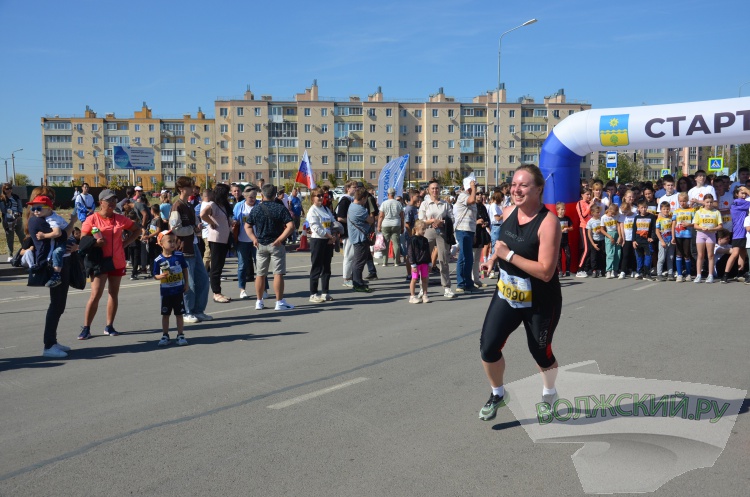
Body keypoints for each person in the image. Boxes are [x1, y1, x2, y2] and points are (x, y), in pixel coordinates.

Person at [477, 164, 563, 421]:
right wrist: (493, 259)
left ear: (538, 189)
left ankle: (549, 393)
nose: (516, 189)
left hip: (541, 301)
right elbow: (503, 244)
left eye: (523, 185)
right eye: (514, 184)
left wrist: (508, 256)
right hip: (507, 293)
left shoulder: (549, 223)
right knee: (488, 347)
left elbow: (546, 271)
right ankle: (498, 394)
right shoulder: (509, 211)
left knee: (541, 354)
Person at [79, 189, 141, 339]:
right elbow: (83, 240)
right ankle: (86, 328)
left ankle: (109, 326)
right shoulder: (92, 219)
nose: (113, 203)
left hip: (117, 261)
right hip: (99, 262)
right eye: (109, 200)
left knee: (113, 294)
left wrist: (125, 243)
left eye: (114, 200)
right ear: (101, 202)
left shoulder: (120, 218)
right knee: (95, 295)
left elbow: (137, 230)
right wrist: (96, 243)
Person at [26, 187, 78, 358]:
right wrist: (72, 223)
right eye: (47, 198)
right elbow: (62, 236)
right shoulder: (38, 220)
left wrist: (73, 244)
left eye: (51, 198)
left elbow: (66, 237)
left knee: (59, 304)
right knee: (56, 305)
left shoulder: (48, 218)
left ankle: (52, 341)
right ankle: (49, 345)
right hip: (53, 264)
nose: (51, 201)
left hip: (63, 261)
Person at [169, 176, 213, 323]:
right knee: (190, 283)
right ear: (181, 189)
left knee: (203, 280)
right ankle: (187, 312)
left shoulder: (188, 205)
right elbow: (175, 229)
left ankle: (199, 310)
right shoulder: (177, 206)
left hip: (194, 246)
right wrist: (193, 228)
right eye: (189, 186)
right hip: (184, 249)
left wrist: (197, 229)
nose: (192, 189)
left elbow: (194, 226)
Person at [245, 183, 295, 311]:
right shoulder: (280, 208)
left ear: (262, 195)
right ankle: (279, 302)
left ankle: (259, 301)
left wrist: (254, 238)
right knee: (278, 273)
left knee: (260, 274)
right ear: (274, 195)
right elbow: (290, 226)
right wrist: (281, 239)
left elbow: (247, 225)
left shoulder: (256, 209)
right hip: (276, 244)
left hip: (261, 244)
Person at [418, 179, 456, 299]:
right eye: (433, 188)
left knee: (443, 259)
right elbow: (421, 220)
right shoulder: (425, 204)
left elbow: (452, 218)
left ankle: (447, 287)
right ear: (428, 190)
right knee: (424, 260)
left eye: (437, 188)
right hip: (428, 231)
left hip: (442, 231)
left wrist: (442, 222)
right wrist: (432, 221)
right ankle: (422, 287)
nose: (435, 190)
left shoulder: (445, 204)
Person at [27, 195, 76, 288]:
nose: (35, 211)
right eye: (33, 209)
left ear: (49, 208)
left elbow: (57, 233)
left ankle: (56, 275)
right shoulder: (48, 216)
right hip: (65, 239)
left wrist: (44, 236)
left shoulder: (52, 219)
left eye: (39, 208)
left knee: (57, 252)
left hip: (68, 240)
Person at [152, 230, 189, 347]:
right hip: (166, 292)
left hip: (178, 290)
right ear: (161, 244)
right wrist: (160, 276)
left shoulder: (179, 256)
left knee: (179, 314)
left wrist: (186, 283)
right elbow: (155, 275)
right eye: (170, 241)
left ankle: (180, 334)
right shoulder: (158, 260)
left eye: (174, 241)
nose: (173, 244)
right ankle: (165, 335)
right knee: (165, 314)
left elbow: (184, 269)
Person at [201, 183, 232, 303]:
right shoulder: (213, 204)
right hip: (216, 239)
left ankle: (218, 292)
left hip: (224, 239)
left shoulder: (223, 205)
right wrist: (211, 222)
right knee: (215, 267)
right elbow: (203, 214)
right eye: (226, 193)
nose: (228, 195)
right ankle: (216, 293)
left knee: (219, 266)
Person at [306, 187, 336, 303]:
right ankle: (313, 294)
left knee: (326, 267)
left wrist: (334, 235)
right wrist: (329, 236)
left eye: (322, 195)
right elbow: (316, 228)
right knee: (316, 268)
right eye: (318, 196)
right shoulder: (312, 211)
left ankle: (325, 292)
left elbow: (333, 222)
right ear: (312, 198)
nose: (321, 197)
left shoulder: (326, 209)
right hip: (318, 240)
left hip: (328, 241)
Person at [347, 187, 375, 293]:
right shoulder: (359, 209)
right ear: (363, 198)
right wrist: (371, 214)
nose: (366, 201)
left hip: (357, 237)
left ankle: (358, 281)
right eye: (366, 199)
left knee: (358, 261)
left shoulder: (352, 206)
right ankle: (357, 283)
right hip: (360, 237)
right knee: (359, 262)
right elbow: (371, 220)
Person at [453, 179, 479, 293]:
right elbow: (471, 200)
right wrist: (472, 188)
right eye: (474, 186)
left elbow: (473, 217)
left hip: (469, 230)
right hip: (462, 229)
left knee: (467, 257)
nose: (475, 188)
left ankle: (466, 283)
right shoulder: (463, 196)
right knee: (465, 257)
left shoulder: (471, 197)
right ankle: (463, 283)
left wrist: (474, 233)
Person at [234, 185, 259, 299]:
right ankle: (242, 289)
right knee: (242, 265)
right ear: (245, 196)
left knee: (260, 265)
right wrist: (234, 223)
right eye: (250, 197)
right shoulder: (239, 206)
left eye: (254, 197)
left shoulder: (259, 205)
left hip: (257, 240)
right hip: (242, 240)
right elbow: (234, 219)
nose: (253, 199)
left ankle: (263, 288)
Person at [692, 193, 722, 283]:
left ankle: (710, 275)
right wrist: (701, 228)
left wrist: (712, 229)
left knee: (710, 255)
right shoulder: (699, 212)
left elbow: (720, 226)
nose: (709, 204)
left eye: (711, 202)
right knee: (700, 255)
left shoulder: (716, 212)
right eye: (707, 202)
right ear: (704, 202)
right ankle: (698, 275)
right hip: (701, 234)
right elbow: (695, 225)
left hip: (711, 235)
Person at [724, 186, 750, 282]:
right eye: (742, 193)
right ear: (736, 194)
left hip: (744, 232)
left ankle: (740, 273)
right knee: (735, 253)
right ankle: (725, 275)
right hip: (738, 233)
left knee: (742, 253)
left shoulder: (742, 202)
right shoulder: (739, 202)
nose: (744, 195)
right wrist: (747, 190)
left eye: (745, 194)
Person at [336, 181, 357, 288]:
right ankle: (346, 279)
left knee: (352, 256)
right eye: (354, 187)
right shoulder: (345, 200)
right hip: (347, 232)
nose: (356, 189)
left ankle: (351, 277)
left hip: (351, 231)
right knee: (348, 256)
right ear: (348, 188)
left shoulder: (351, 200)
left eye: (356, 187)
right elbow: (340, 218)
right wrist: (352, 221)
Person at [671, 192, 695, 282]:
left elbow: (695, 223)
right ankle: (679, 274)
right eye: (680, 201)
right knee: (678, 254)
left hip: (687, 235)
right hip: (678, 235)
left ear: (687, 200)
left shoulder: (691, 210)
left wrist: (689, 224)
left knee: (686, 254)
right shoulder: (676, 211)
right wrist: (673, 236)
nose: (682, 203)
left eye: (684, 201)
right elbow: (673, 224)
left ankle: (688, 273)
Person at [378, 187, 404, 267]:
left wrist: (378, 226)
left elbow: (381, 216)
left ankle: (384, 262)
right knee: (396, 243)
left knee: (385, 243)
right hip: (396, 224)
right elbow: (402, 216)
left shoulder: (384, 203)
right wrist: (402, 226)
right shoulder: (398, 203)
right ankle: (396, 261)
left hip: (386, 224)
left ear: (388, 194)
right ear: (394, 194)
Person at [632, 199, 656, 280]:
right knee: (639, 258)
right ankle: (640, 272)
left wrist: (652, 237)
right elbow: (634, 229)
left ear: (647, 207)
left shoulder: (651, 216)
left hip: (647, 241)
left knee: (648, 257)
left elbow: (654, 228)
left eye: (645, 207)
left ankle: (647, 273)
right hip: (638, 241)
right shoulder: (636, 217)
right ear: (638, 208)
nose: (643, 209)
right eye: (642, 208)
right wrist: (633, 241)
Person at [408, 220, 431, 304]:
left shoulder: (425, 240)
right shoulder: (413, 239)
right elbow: (410, 252)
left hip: (424, 262)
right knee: (414, 279)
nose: (424, 231)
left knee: (424, 279)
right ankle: (412, 296)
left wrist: (430, 263)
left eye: (425, 229)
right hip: (416, 263)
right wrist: (413, 264)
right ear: (416, 229)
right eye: (422, 229)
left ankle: (425, 295)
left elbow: (428, 252)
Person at [617, 190, 637, 279]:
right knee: (625, 255)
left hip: (634, 237)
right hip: (626, 237)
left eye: (632, 197)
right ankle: (623, 271)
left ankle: (633, 270)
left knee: (634, 255)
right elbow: (620, 225)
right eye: (629, 197)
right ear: (625, 197)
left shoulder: (635, 211)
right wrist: (622, 237)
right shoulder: (621, 211)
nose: (631, 198)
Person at [1, 183, 24, 260]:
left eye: (10, 188)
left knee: (21, 236)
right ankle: (10, 255)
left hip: (17, 219)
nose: (9, 190)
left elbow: (20, 207)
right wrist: (11, 214)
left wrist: (19, 215)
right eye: (7, 188)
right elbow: (3, 210)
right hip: (7, 220)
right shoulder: (1, 198)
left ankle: (26, 251)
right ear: (4, 189)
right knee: (10, 237)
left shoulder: (15, 197)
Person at [655, 201, 675, 281]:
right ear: (661, 210)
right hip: (663, 241)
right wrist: (662, 241)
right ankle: (659, 274)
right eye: (664, 209)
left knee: (670, 258)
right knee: (661, 258)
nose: (666, 211)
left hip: (671, 240)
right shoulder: (659, 220)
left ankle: (670, 273)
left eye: (667, 209)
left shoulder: (671, 218)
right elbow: (657, 231)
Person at [600, 203, 622, 279]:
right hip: (609, 234)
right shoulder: (603, 217)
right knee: (610, 254)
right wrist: (609, 237)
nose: (613, 215)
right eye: (612, 213)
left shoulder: (616, 216)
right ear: (609, 210)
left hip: (616, 234)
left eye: (614, 214)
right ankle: (608, 271)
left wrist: (620, 236)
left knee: (617, 253)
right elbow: (602, 230)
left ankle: (614, 270)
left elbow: (618, 226)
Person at [576, 187, 593, 277]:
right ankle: (579, 269)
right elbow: (583, 216)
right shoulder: (580, 203)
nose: (589, 196)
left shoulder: (588, 203)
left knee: (590, 248)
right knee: (586, 249)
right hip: (584, 227)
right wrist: (590, 206)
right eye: (587, 194)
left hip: (591, 227)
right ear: (582, 195)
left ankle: (586, 268)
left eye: (590, 194)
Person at [586, 204, 605, 278]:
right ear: (592, 213)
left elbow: (604, 229)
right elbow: (589, 233)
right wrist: (593, 244)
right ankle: (594, 270)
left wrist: (601, 230)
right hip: (594, 240)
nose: (599, 213)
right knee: (594, 256)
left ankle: (602, 269)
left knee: (602, 255)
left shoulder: (601, 220)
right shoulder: (590, 222)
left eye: (599, 212)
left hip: (602, 240)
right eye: (597, 212)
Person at [556, 202, 573, 277]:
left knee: (568, 255)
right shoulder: (556, 219)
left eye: (564, 209)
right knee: (558, 256)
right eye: (562, 209)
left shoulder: (567, 218)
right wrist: (560, 231)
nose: (563, 211)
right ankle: (560, 271)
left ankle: (567, 270)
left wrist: (567, 228)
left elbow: (572, 228)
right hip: (558, 241)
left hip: (565, 241)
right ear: (558, 210)